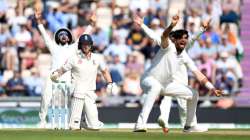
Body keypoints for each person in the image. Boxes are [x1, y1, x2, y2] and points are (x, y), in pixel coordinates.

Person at [133, 13, 222, 133]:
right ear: (174, 39)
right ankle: (140, 125)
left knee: (194, 94)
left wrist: (212, 88)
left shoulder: (184, 55)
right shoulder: (168, 46)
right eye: (182, 38)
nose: (184, 40)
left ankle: (189, 125)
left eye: (186, 38)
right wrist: (170, 25)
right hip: (148, 79)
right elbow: (163, 35)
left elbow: (197, 73)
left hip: (166, 84)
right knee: (155, 87)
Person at [34, 8, 96, 127]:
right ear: (58, 37)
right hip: (53, 75)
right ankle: (42, 121)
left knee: (77, 98)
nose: (63, 36)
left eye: (65, 35)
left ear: (69, 38)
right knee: (45, 96)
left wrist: (91, 25)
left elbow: (83, 36)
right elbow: (45, 36)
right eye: (61, 34)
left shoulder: (73, 47)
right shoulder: (53, 47)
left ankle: (79, 121)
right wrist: (38, 21)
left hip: (68, 76)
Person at [50, 34, 117, 130]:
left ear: (91, 45)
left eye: (88, 44)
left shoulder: (97, 58)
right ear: (80, 45)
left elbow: (104, 71)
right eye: (84, 44)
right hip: (77, 90)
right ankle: (75, 123)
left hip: (90, 92)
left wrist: (110, 83)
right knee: (74, 126)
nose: (86, 46)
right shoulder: (74, 58)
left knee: (94, 127)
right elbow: (62, 69)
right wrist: (55, 74)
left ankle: (83, 122)